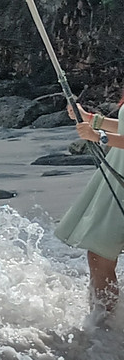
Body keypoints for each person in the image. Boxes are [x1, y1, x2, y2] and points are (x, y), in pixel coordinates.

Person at [55, 98, 124, 321]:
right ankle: (103, 329)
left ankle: (104, 330)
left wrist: (100, 137)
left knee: (100, 252)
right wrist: (92, 120)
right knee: (99, 252)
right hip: (117, 177)